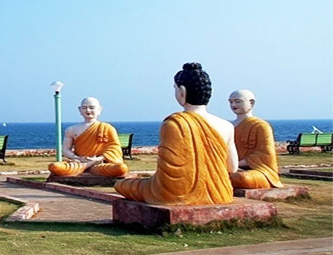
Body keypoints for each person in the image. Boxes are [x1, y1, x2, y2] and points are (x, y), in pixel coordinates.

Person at [114, 62, 237, 205]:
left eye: (175, 89)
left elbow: (166, 176)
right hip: (221, 194)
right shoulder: (226, 126)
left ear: (182, 92)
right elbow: (232, 168)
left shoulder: (174, 124)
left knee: (122, 185)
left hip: (174, 195)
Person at [48, 97, 128, 177]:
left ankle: (88, 166)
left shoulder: (107, 128)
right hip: (79, 162)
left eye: (92, 108)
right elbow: (65, 150)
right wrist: (76, 158)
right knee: (55, 167)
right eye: (84, 108)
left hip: (100, 163)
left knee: (121, 168)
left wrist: (98, 159)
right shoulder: (71, 129)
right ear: (80, 110)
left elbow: (114, 148)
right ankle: (87, 165)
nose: (88, 110)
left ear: (99, 109)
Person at [228, 89, 283, 189]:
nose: (233, 104)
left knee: (242, 178)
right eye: (231, 102)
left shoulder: (261, 126)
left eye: (238, 101)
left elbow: (264, 155)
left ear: (251, 103)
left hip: (259, 170)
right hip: (232, 167)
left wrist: (237, 164)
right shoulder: (228, 126)